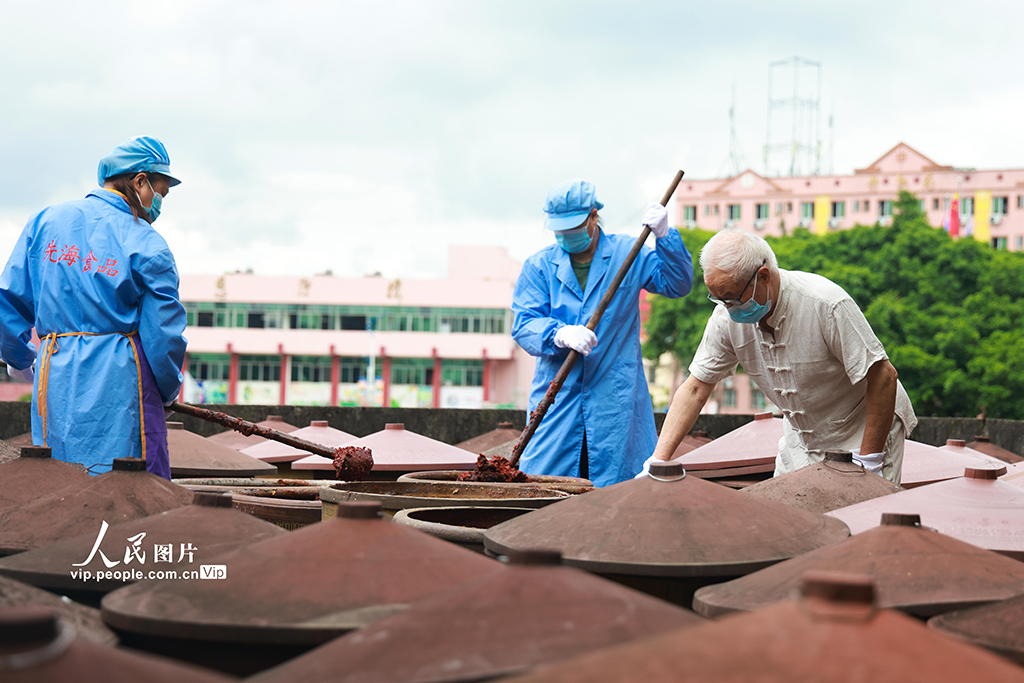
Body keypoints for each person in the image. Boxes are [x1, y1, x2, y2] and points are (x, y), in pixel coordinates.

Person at [646, 228, 916, 484]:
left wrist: (870, 460)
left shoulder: (825, 303)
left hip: (862, 431)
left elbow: (884, 376)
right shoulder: (725, 318)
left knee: (858, 521)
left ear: (763, 276)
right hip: (802, 436)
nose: (728, 309)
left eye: (733, 299)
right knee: (788, 521)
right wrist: (657, 461)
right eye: (719, 300)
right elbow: (695, 388)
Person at [0, 136, 188, 478]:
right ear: (140, 181)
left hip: (53, 375)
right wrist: (168, 391)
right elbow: (163, 337)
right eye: (160, 191)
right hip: (122, 380)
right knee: (130, 492)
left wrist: (20, 360)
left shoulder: (43, 223)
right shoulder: (147, 244)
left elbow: (8, 302)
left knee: (57, 482)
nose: (160, 202)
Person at [512, 179, 693, 487]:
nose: (567, 236)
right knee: (544, 491)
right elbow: (524, 324)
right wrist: (558, 334)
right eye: (560, 230)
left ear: (594, 217)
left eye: (574, 227)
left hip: (615, 405)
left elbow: (677, 284)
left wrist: (666, 236)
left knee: (616, 497)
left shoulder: (628, 253)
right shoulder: (539, 266)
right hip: (557, 401)